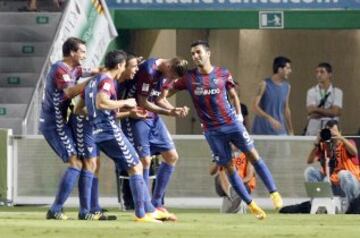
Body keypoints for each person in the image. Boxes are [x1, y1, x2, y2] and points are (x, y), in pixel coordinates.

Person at [168, 40, 283, 220]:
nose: (195, 56)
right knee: (229, 168)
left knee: (253, 155)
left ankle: (274, 192)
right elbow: (167, 92)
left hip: (232, 124)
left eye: (198, 52)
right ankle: (251, 205)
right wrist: (163, 105)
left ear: (208, 53)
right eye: (192, 54)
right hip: (212, 131)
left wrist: (238, 116)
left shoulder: (223, 73)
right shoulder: (188, 78)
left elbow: (233, 95)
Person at [84, 50, 169, 223]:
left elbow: (89, 108)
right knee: (137, 166)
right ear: (119, 65)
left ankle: (149, 211)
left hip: (98, 132)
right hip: (109, 131)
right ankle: (142, 214)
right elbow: (101, 103)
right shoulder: (107, 80)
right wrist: (126, 103)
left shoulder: (94, 81)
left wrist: (127, 112)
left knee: (134, 167)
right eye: (125, 65)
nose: (128, 69)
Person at [119, 56, 189, 220]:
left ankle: (156, 203)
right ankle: (144, 208)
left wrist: (175, 109)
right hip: (137, 116)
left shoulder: (167, 74)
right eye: (171, 76)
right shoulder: (148, 70)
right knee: (144, 161)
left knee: (172, 156)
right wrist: (169, 113)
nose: (171, 80)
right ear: (169, 66)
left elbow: (160, 99)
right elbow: (143, 102)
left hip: (154, 119)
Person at [40, 37, 101, 220]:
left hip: (62, 122)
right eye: (82, 51)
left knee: (83, 162)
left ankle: (84, 212)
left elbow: (98, 70)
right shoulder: (60, 69)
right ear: (72, 53)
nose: (85, 54)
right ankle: (55, 210)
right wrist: (92, 82)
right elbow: (69, 92)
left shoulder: (76, 69)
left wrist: (114, 69)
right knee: (76, 163)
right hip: (54, 123)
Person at [304, 120, 360, 208]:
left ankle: (353, 207)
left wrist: (341, 138)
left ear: (340, 132)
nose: (332, 135)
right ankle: (318, 205)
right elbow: (309, 161)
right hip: (332, 183)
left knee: (343, 174)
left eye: (334, 132)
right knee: (310, 171)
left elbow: (354, 152)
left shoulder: (346, 143)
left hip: (350, 184)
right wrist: (317, 143)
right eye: (329, 132)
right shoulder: (324, 146)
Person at [252, 56, 294, 135]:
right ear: (280, 69)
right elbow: (254, 107)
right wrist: (269, 118)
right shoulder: (264, 84)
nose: (290, 71)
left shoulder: (287, 86)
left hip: (279, 130)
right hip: (262, 130)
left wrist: (291, 130)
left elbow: (286, 108)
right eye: (288, 68)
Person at [209, 147, 256, 213]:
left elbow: (249, 176)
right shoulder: (224, 152)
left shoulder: (248, 152)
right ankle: (232, 197)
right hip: (226, 185)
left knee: (235, 190)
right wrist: (219, 159)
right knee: (220, 174)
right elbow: (211, 172)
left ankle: (232, 200)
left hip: (244, 184)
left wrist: (236, 183)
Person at [305, 63, 343, 136]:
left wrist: (316, 109)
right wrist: (329, 111)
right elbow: (310, 111)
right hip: (313, 130)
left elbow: (335, 112)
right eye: (317, 72)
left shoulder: (337, 92)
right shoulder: (311, 91)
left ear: (329, 74)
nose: (319, 74)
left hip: (330, 130)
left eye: (322, 72)